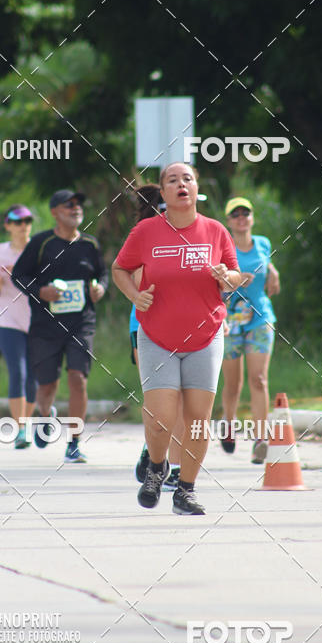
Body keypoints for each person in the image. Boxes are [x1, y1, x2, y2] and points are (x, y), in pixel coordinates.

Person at [113, 162, 241, 515]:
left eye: (187, 178)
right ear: (165, 193)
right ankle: (156, 467)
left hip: (206, 335)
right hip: (156, 336)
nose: (181, 184)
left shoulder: (215, 231)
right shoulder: (146, 232)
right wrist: (134, 297)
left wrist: (225, 276)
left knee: (198, 419)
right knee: (160, 418)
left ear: (196, 188)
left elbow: (234, 276)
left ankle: (186, 490)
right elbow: (120, 269)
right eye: (173, 180)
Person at [11, 189, 108, 463]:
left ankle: (74, 443)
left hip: (81, 323)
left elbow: (102, 273)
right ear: (55, 212)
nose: (75, 209)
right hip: (46, 326)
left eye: (78, 205)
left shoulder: (90, 243)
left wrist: (101, 287)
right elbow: (18, 275)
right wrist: (40, 290)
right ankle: (45, 415)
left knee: (78, 378)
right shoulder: (41, 243)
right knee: (47, 386)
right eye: (68, 205)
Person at [130, 184, 183, 491]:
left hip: (187, 324)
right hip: (144, 324)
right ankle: (155, 451)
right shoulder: (143, 234)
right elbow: (131, 275)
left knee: (179, 398)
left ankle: (173, 466)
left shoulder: (196, 233)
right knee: (159, 397)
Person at [221, 197, 280, 464]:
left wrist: (272, 270)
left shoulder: (264, 243)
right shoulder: (224, 247)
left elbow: (264, 261)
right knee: (233, 384)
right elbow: (216, 283)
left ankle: (260, 440)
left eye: (246, 213)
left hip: (260, 319)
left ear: (252, 218)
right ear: (229, 221)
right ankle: (229, 424)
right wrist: (236, 281)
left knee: (259, 379)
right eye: (236, 215)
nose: (242, 218)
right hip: (230, 321)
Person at [0, 205, 38, 449]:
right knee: (18, 372)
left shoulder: (39, 248)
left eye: (27, 220)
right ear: (8, 225)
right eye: (18, 221)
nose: (23, 225)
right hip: (8, 321)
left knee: (34, 377)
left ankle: (33, 416)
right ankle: (21, 428)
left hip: (36, 321)